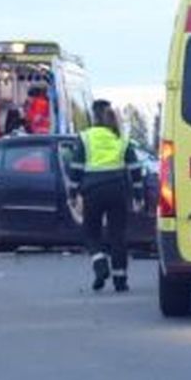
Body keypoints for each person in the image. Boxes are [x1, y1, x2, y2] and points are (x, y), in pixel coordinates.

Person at [68, 99, 143, 292]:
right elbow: (135, 169)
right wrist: (138, 195)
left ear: (94, 117)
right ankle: (120, 280)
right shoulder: (121, 138)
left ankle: (100, 265)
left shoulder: (85, 137)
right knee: (117, 234)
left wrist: (73, 193)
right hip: (118, 190)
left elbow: (76, 168)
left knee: (91, 231)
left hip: (93, 190)